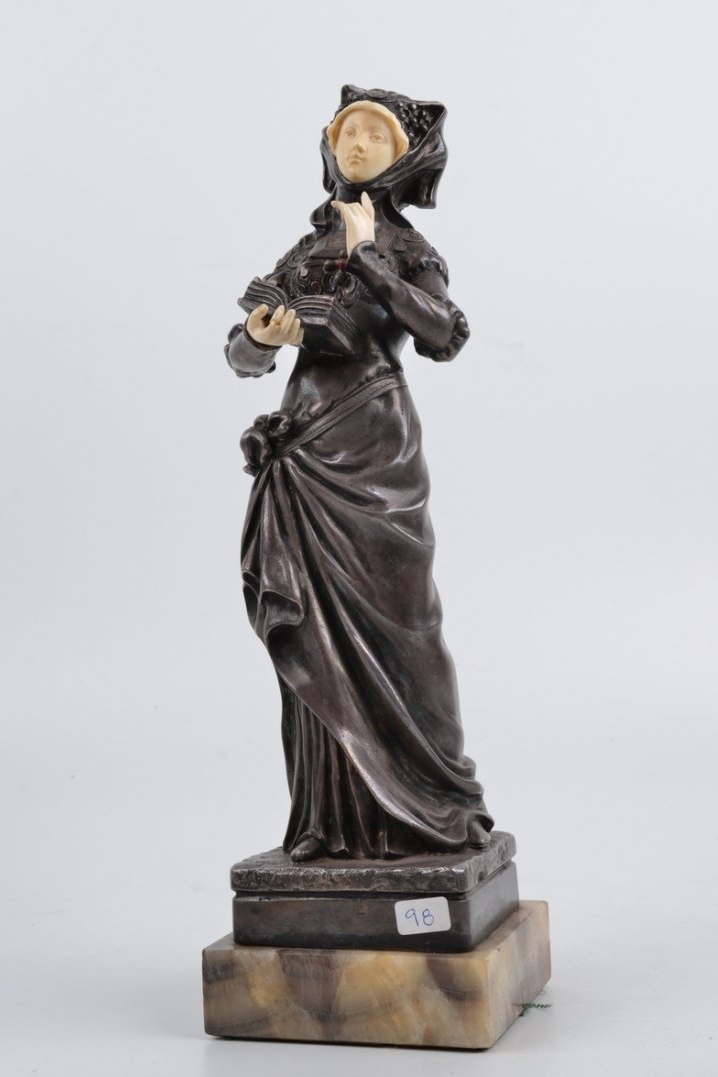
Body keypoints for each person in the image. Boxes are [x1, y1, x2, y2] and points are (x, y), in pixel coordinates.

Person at [225, 86, 493, 862]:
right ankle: (332, 823)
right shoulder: (303, 249)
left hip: (373, 446)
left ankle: (436, 799)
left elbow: (443, 334)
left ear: (405, 156)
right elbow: (242, 354)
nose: (358, 145)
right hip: (302, 449)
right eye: (348, 132)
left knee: (403, 625)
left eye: (376, 135)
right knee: (310, 628)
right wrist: (259, 336)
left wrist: (370, 257)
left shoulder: (407, 248)